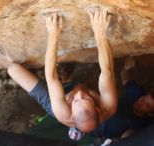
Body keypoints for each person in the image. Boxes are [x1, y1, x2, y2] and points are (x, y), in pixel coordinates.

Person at [7, 7, 117, 136]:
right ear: (98, 109)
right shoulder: (109, 106)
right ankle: (66, 78)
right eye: (87, 100)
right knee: (83, 86)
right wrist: (100, 33)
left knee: (13, 69)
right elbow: (107, 71)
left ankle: (65, 80)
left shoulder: (62, 112)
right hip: (69, 95)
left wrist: (53, 34)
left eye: (76, 101)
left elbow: (51, 76)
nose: (80, 94)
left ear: (71, 114)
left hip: (61, 97)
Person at [95, 57, 154, 140]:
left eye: (147, 105)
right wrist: (126, 68)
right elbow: (125, 76)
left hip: (103, 135)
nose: (141, 101)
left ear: (150, 114)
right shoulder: (137, 92)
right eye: (144, 98)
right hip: (96, 115)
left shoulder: (143, 126)